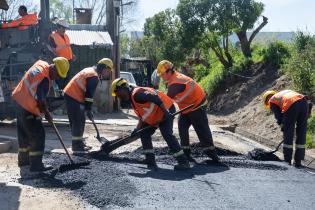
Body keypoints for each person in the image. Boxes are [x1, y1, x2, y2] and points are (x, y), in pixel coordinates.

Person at [111, 78, 190, 170]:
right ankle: (150, 161)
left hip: (166, 110)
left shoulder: (137, 94)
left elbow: (155, 97)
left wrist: (166, 112)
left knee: (167, 134)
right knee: (144, 134)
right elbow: (142, 116)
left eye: (117, 93)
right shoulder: (133, 98)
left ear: (122, 88)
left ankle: (183, 162)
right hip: (156, 114)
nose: (117, 96)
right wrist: (137, 129)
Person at [12, 57, 69, 172]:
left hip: (18, 102)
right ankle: (36, 165)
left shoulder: (41, 64)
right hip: (28, 107)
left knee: (24, 134)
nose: (56, 78)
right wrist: (47, 114)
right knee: (38, 135)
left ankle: (23, 162)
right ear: (54, 68)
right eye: (58, 75)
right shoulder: (45, 79)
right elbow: (41, 100)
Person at [157, 60, 220, 163]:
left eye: (162, 74)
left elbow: (166, 101)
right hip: (186, 107)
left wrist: (156, 115)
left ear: (169, 72)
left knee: (202, 130)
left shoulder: (175, 83)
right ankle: (186, 154)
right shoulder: (173, 79)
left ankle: (213, 156)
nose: (161, 77)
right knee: (182, 127)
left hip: (197, 105)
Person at [63, 58, 113, 153]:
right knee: (78, 121)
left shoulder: (90, 71)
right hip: (73, 96)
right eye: (108, 70)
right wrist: (88, 109)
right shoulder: (93, 76)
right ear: (104, 68)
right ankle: (77, 147)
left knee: (79, 120)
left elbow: (88, 94)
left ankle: (79, 143)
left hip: (71, 95)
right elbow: (89, 95)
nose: (108, 73)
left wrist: (87, 109)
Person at [263, 90, 309, 167]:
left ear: (267, 99)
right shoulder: (283, 93)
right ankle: (298, 161)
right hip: (304, 102)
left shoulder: (272, 100)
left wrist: (283, 126)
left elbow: (279, 117)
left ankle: (287, 160)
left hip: (291, 104)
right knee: (301, 132)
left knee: (288, 133)